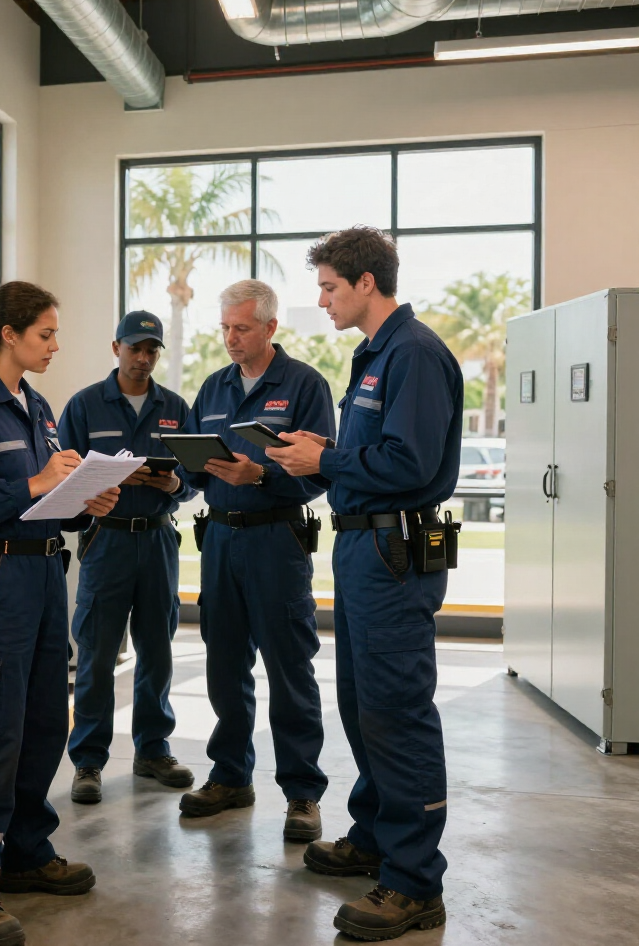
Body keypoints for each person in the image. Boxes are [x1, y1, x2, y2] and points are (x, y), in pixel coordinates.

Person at [265, 227, 463, 941]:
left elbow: (407, 465)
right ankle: (376, 836)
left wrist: (328, 456)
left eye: (328, 287)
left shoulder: (412, 354)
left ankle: (414, 882)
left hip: (393, 551)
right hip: (362, 548)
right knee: (362, 703)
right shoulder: (375, 355)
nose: (320, 300)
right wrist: (317, 462)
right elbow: (369, 459)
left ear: (367, 284)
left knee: (397, 710)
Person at [0, 281, 120, 946]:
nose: (55, 346)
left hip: (41, 572)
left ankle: (26, 853)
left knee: (41, 725)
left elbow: (38, 498)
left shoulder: (35, 407)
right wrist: (38, 482)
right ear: (8, 334)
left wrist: (81, 496)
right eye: (45, 335)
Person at [175, 279, 335, 843]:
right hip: (219, 541)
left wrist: (261, 474)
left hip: (276, 542)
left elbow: (321, 472)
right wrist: (177, 469)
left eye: (241, 328)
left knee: (290, 668)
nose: (231, 338)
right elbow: (196, 467)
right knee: (224, 665)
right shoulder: (214, 387)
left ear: (270, 328)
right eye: (224, 327)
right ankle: (231, 777)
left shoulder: (304, 386)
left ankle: (302, 792)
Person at [58, 310, 197, 804]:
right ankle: (89, 760)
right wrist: (101, 482)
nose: (143, 358)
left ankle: (153, 749)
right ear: (115, 347)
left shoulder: (176, 407)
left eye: (152, 350)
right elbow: (62, 474)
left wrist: (173, 482)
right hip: (107, 540)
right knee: (96, 652)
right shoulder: (84, 407)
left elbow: (195, 477)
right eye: (135, 348)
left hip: (158, 540)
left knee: (157, 650)